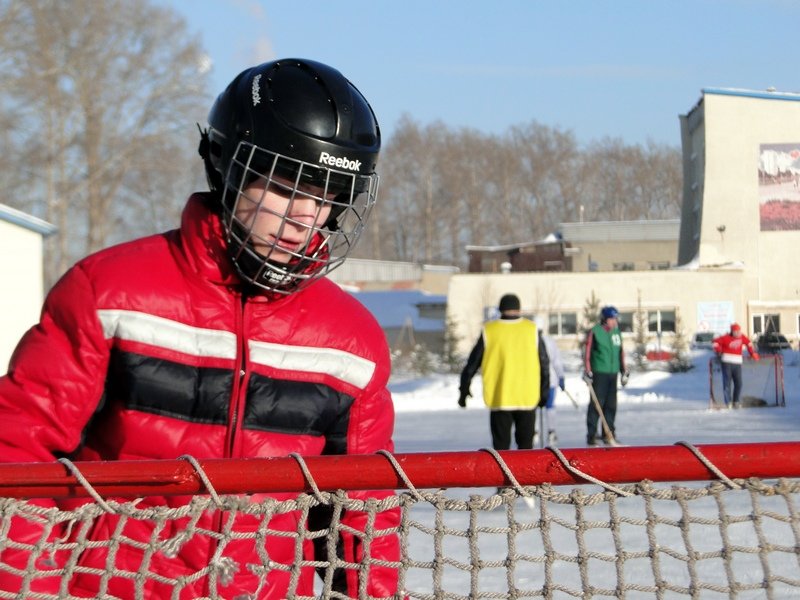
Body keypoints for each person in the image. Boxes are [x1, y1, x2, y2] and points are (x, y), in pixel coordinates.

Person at [0, 58, 401, 598]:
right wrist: (30, 584)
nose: (306, 216)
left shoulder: (351, 340)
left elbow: (364, 514)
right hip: (112, 587)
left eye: (327, 195)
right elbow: (17, 448)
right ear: (228, 167)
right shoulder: (110, 292)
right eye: (287, 187)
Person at [458, 294, 550, 451]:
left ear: (500, 309)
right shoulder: (532, 329)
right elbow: (544, 363)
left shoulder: (490, 330)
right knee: (526, 448)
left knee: (501, 449)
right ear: (519, 309)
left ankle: (504, 475)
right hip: (527, 397)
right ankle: (524, 475)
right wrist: (544, 392)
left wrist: (464, 389)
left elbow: (472, 364)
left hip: (499, 396)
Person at [583, 305, 629, 446]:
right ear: (604, 319)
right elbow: (587, 352)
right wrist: (588, 370)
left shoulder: (616, 332)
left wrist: (624, 370)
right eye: (611, 319)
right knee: (597, 404)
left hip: (612, 372)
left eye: (615, 318)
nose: (614, 321)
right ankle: (592, 435)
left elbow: (620, 352)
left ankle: (608, 433)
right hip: (599, 372)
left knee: (611, 405)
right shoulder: (595, 332)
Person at [712, 323, 759, 408]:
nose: (738, 333)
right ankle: (728, 402)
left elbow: (749, 343)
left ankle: (736, 401)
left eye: (739, 331)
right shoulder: (725, 338)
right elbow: (715, 343)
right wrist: (719, 350)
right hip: (726, 362)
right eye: (735, 331)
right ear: (732, 331)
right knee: (727, 383)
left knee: (739, 383)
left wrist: (752, 353)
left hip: (737, 363)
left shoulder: (742, 337)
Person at [537, 319, 566, 447]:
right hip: (544, 380)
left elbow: (556, 361)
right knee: (547, 406)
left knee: (546, 406)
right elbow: (557, 361)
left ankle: (548, 431)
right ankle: (547, 431)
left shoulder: (547, 341)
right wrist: (560, 376)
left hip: (545, 380)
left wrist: (560, 376)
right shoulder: (548, 341)